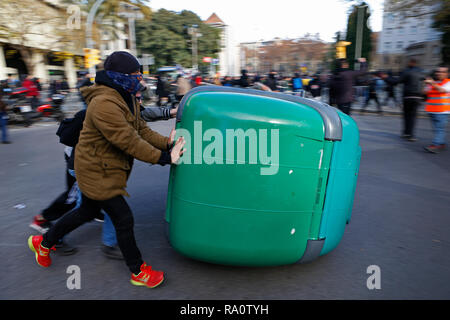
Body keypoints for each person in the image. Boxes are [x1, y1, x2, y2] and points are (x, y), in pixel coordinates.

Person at [28, 51, 185, 288]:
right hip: (95, 171)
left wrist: (166, 143)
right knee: (124, 219)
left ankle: (44, 242)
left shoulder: (127, 96)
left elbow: (140, 129)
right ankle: (138, 271)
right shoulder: (104, 103)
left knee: (86, 212)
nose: (139, 79)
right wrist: (165, 158)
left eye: (139, 74)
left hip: (106, 167)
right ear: (119, 76)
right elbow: (128, 141)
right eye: (134, 74)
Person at [390, 58, 424, 142]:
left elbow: (397, 81)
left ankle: (406, 133)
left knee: (406, 116)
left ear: (411, 63)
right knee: (413, 117)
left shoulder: (406, 71)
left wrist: (387, 78)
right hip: (417, 97)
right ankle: (410, 134)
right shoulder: (421, 72)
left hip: (408, 96)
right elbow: (425, 81)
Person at [423, 66, 450, 153]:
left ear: (447, 74)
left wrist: (432, 83)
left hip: (442, 111)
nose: (439, 73)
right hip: (432, 110)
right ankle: (441, 143)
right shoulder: (432, 83)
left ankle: (435, 145)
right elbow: (424, 92)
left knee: (439, 129)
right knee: (436, 129)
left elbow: (442, 90)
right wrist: (427, 84)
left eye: (442, 72)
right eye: (438, 71)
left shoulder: (448, 82)